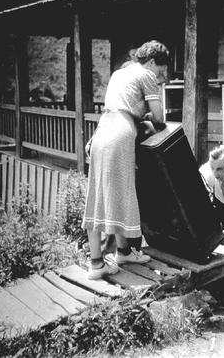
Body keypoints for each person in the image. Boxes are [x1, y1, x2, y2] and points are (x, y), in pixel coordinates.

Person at [82, 40, 170, 280]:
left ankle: (122, 252)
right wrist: (149, 114)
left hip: (102, 132)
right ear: (151, 62)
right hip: (121, 134)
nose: (160, 75)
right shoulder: (146, 75)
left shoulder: (120, 73)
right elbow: (160, 119)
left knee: (100, 195)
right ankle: (97, 265)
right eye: (160, 70)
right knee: (123, 193)